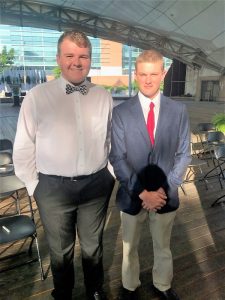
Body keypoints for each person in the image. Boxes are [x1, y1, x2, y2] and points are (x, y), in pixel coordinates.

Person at [13, 30, 115, 300]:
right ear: (59, 59)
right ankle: (63, 293)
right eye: (70, 55)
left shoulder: (103, 96)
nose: (77, 62)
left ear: (90, 60)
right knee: (60, 250)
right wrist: (36, 186)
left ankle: (95, 290)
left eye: (83, 56)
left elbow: (112, 139)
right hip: (52, 188)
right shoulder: (37, 97)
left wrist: (110, 175)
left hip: (96, 185)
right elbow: (23, 148)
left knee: (93, 246)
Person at [109, 49, 191, 300]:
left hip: (165, 196)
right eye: (143, 74)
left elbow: (183, 155)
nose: (148, 80)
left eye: (154, 74)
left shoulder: (178, 111)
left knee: (163, 246)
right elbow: (117, 158)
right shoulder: (121, 112)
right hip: (133, 195)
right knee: (129, 247)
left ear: (163, 74)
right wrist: (143, 193)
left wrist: (164, 191)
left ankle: (162, 284)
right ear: (135, 74)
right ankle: (130, 286)